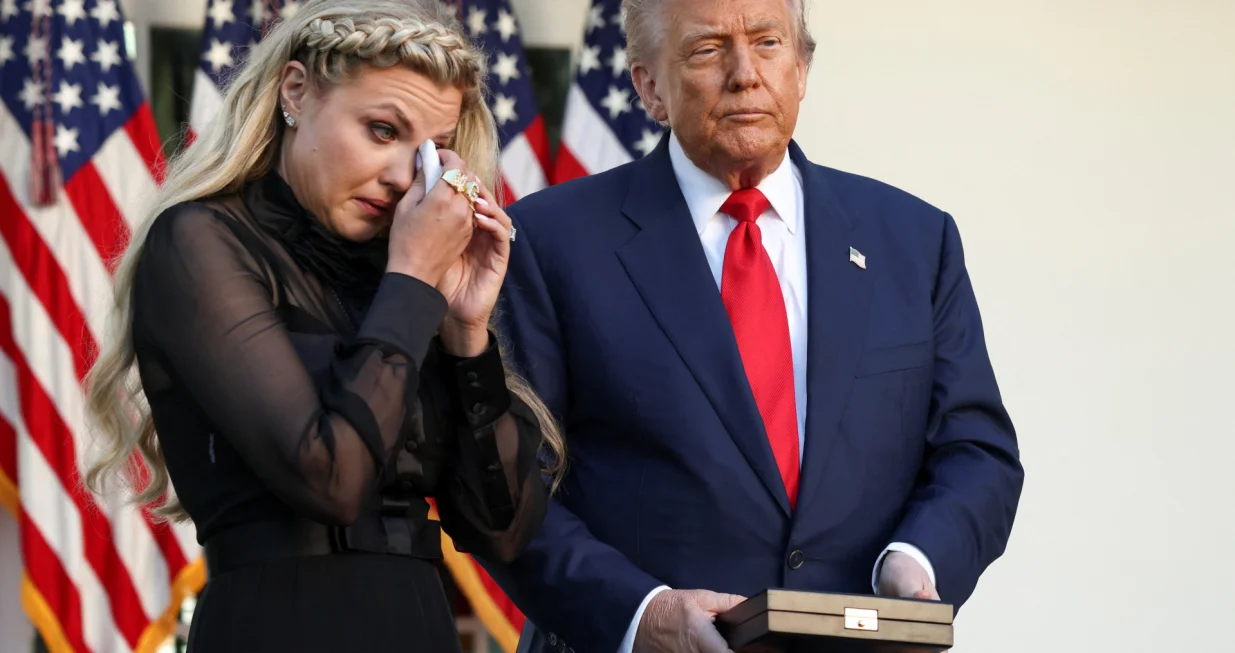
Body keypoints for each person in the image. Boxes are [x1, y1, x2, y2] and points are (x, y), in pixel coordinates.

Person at [490, 0, 1025, 651]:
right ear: (649, 86)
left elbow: (976, 452)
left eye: (767, 43)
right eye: (708, 49)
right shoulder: (550, 242)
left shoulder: (913, 240)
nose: (745, 73)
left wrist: (916, 558)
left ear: (801, 69)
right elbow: (508, 491)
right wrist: (642, 612)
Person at [82, 1, 563, 651]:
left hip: (419, 623)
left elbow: (502, 529)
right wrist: (413, 281)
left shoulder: (402, 274)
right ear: (296, 93)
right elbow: (330, 478)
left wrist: (465, 331)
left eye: (434, 149)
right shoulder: (200, 243)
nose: (403, 176)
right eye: (381, 130)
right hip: (275, 622)